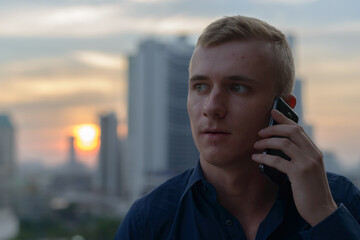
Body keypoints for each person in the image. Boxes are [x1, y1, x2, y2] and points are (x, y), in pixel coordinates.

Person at [114, 16, 360, 240]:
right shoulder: (149, 222)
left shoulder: (340, 202)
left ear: (284, 107)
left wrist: (325, 217)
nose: (211, 108)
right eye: (200, 86)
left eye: (238, 88)